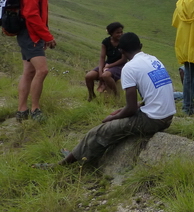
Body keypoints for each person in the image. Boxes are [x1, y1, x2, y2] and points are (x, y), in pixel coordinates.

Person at [54, 32, 175, 166]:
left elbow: (131, 109)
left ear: (121, 51)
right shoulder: (153, 59)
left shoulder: (130, 67)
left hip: (154, 120)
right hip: (168, 116)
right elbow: (152, 97)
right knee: (118, 120)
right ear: (140, 46)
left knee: (100, 131)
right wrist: (129, 109)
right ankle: (80, 153)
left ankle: (65, 163)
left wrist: (111, 118)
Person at [15, 0, 63, 122]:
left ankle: (22, 111)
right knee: (42, 71)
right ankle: (35, 109)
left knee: (29, 72)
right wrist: (47, 36)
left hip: (29, 34)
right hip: (31, 34)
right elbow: (32, 15)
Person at [85, 22, 127, 101]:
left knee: (106, 75)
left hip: (120, 66)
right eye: (117, 32)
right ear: (111, 33)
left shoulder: (123, 42)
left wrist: (108, 67)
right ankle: (91, 96)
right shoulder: (106, 42)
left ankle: (116, 96)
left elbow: (123, 59)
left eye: (121, 32)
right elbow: (102, 57)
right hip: (107, 64)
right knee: (89, 76)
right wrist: (100, 71)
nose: (120, 34)